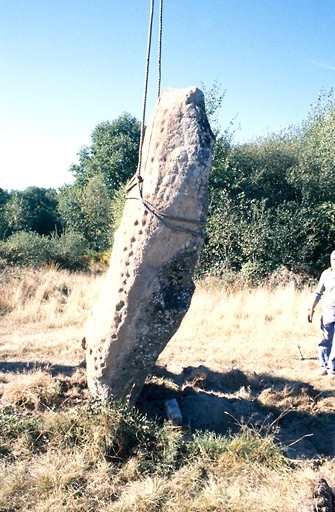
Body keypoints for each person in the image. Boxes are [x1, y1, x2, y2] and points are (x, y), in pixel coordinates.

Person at [308, 250, 335, 377]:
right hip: (329, 311)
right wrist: (311, 309)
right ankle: (324, 366)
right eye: (333, 260)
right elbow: (318, 292)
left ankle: (332, 369)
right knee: (326, 338)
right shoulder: (326, 275)